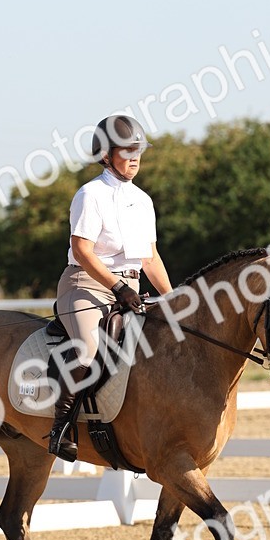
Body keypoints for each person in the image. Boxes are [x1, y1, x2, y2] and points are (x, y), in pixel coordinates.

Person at [47, 114, 173, 460]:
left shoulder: (143, 201)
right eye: (127, 151)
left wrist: (172, 298)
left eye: (138, 151)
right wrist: (118, 287)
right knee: (88, 348)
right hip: (85, 284)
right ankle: (60, 427)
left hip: (130, 289)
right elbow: (82, 251)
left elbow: (150, 258)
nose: (135, 158)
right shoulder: (91, 195)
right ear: (105, 155)